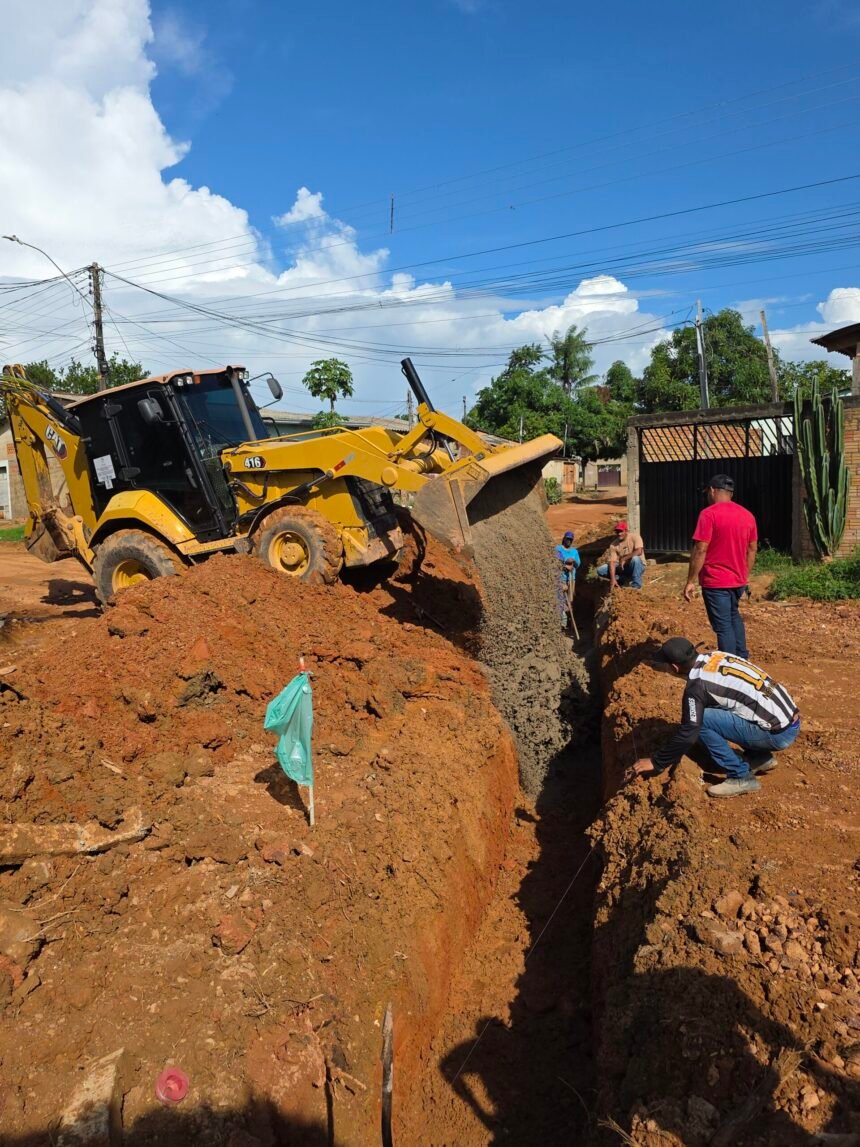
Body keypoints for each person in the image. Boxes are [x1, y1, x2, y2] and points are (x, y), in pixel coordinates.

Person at [633, 636, 801, 798]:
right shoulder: (715, 656)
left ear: (675, 668)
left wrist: (657, 762)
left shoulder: (697, 687)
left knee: (701, 721)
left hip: (778, 735)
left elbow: (689, 733)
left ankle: (740, 776)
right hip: (789, 718)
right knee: (717, 703)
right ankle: (758, 757)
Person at [684, 474, 757, 658]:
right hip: (737, 581)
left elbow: (701, 549)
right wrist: (744, 575)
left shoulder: (709, 514)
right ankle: (742, 658)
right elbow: (752, 549)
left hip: (716, 581)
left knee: (723, 626)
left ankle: (730, 666)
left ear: (712, 490)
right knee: (733, 617)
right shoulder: (747, 515)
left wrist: (690, 581)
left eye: (708, 492)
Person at [596, 521, 646, 589]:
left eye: (621, 531)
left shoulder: (635, 537)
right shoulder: (613, 544)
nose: (619, 534)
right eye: (617, 532)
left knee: (635, 559)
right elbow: (612, 562)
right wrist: (613, 579)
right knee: (600, 570)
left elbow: (639, 551)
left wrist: (624, 558)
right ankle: (621, 578)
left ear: (626, 531)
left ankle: (636, 584)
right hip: (623, 567)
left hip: (636, 566)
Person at [555, 531, 580, 627]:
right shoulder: (558, 549)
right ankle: (562, 623)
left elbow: (578, 564)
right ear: (564, 538)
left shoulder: (574, 551)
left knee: (570, 600)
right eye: (567, 539)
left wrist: (573, 561)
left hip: (571, 579)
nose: (568, 541)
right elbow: (555, 562)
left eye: (570, 539)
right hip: (560, 579)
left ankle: (569, 622)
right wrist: (565, 564)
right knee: (560, 600)